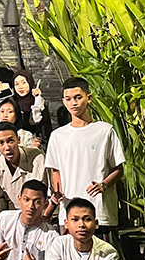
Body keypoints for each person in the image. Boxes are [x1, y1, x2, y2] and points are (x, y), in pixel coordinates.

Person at [45, 76, 125, 234]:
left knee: (101, 249)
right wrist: (58, 194)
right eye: (68, 99)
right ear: (63, 101)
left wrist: (103, 185)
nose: (73, 103)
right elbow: (56, 171)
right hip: (69, 212)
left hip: (99, 210)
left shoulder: (105, 131)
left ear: (89, 98)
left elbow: (118, 169)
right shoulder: (58, 136)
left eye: (78, 97)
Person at [0, 124, 49, 229]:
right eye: (1, 143)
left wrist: (45, 215)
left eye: (10, 141)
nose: (7, 147)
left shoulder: (36, 157)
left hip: (41, 211)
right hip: (18, 212)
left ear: (18, 140)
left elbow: (45, 194)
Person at [13, 69, 51, 144]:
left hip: (35, 142)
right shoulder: (12, 102)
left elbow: (37, 121)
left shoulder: (38, 102)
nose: (20, 87)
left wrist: (37, 98)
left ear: (30, 83)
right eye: (16, 84)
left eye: (24, 83)